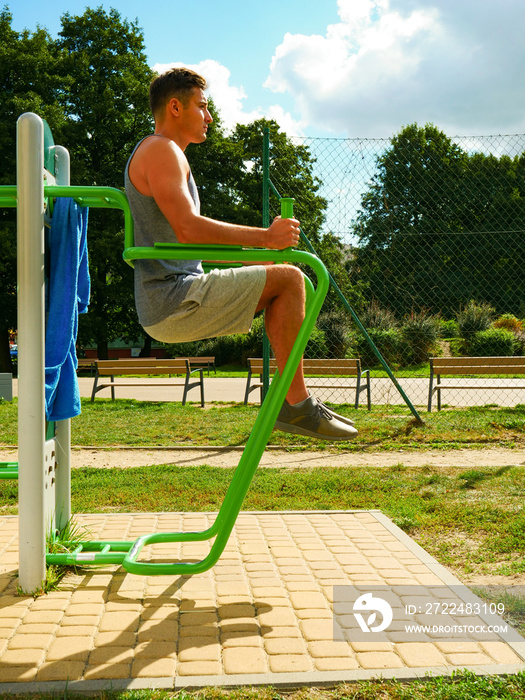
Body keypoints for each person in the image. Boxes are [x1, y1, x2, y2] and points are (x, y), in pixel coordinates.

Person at [125, 67, 357, 440]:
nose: (209, 116)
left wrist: (251, 257)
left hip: (175, 293)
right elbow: (188, 229)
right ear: (174, 107)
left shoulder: (163, 153)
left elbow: (181, 244)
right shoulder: (162, 151)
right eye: (202, 106)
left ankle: (294, 403)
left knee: (284, 281)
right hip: (172, 298)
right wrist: (266, 238)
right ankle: (296, 404)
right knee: (292, 277)